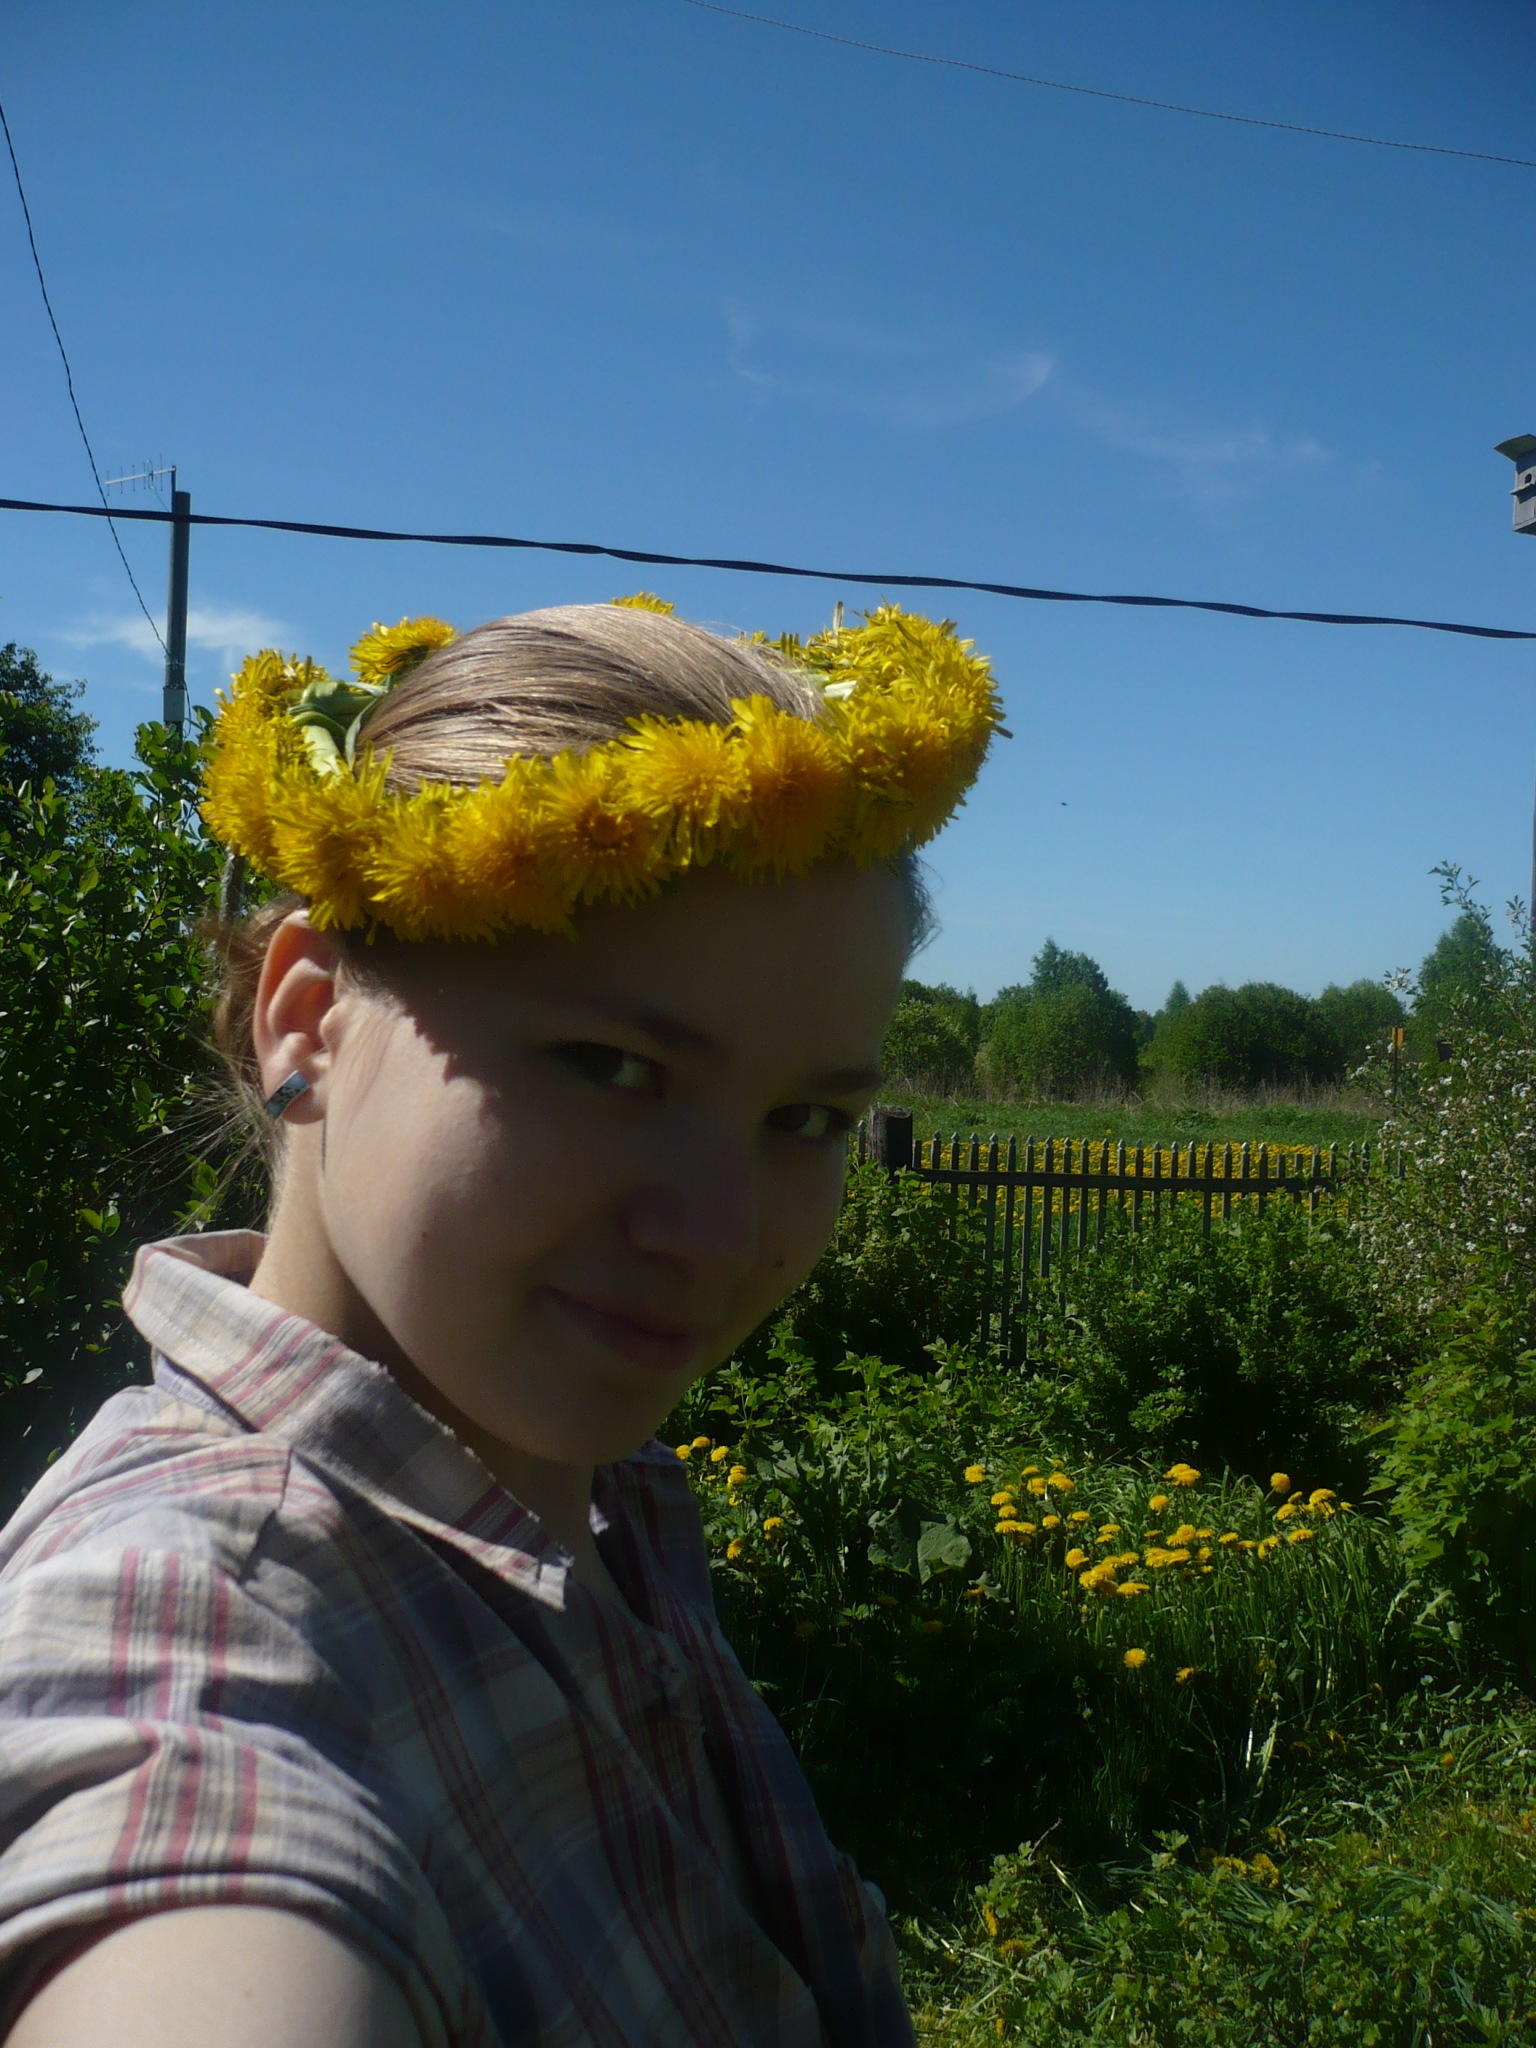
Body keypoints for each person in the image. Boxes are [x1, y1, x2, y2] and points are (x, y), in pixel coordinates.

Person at [0, 598, 999, 2047]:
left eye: (807, 1119)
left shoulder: (585, 1508)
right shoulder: (192, 1631)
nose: (720, 1236)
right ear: (306, 1017)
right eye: (609, 1065)